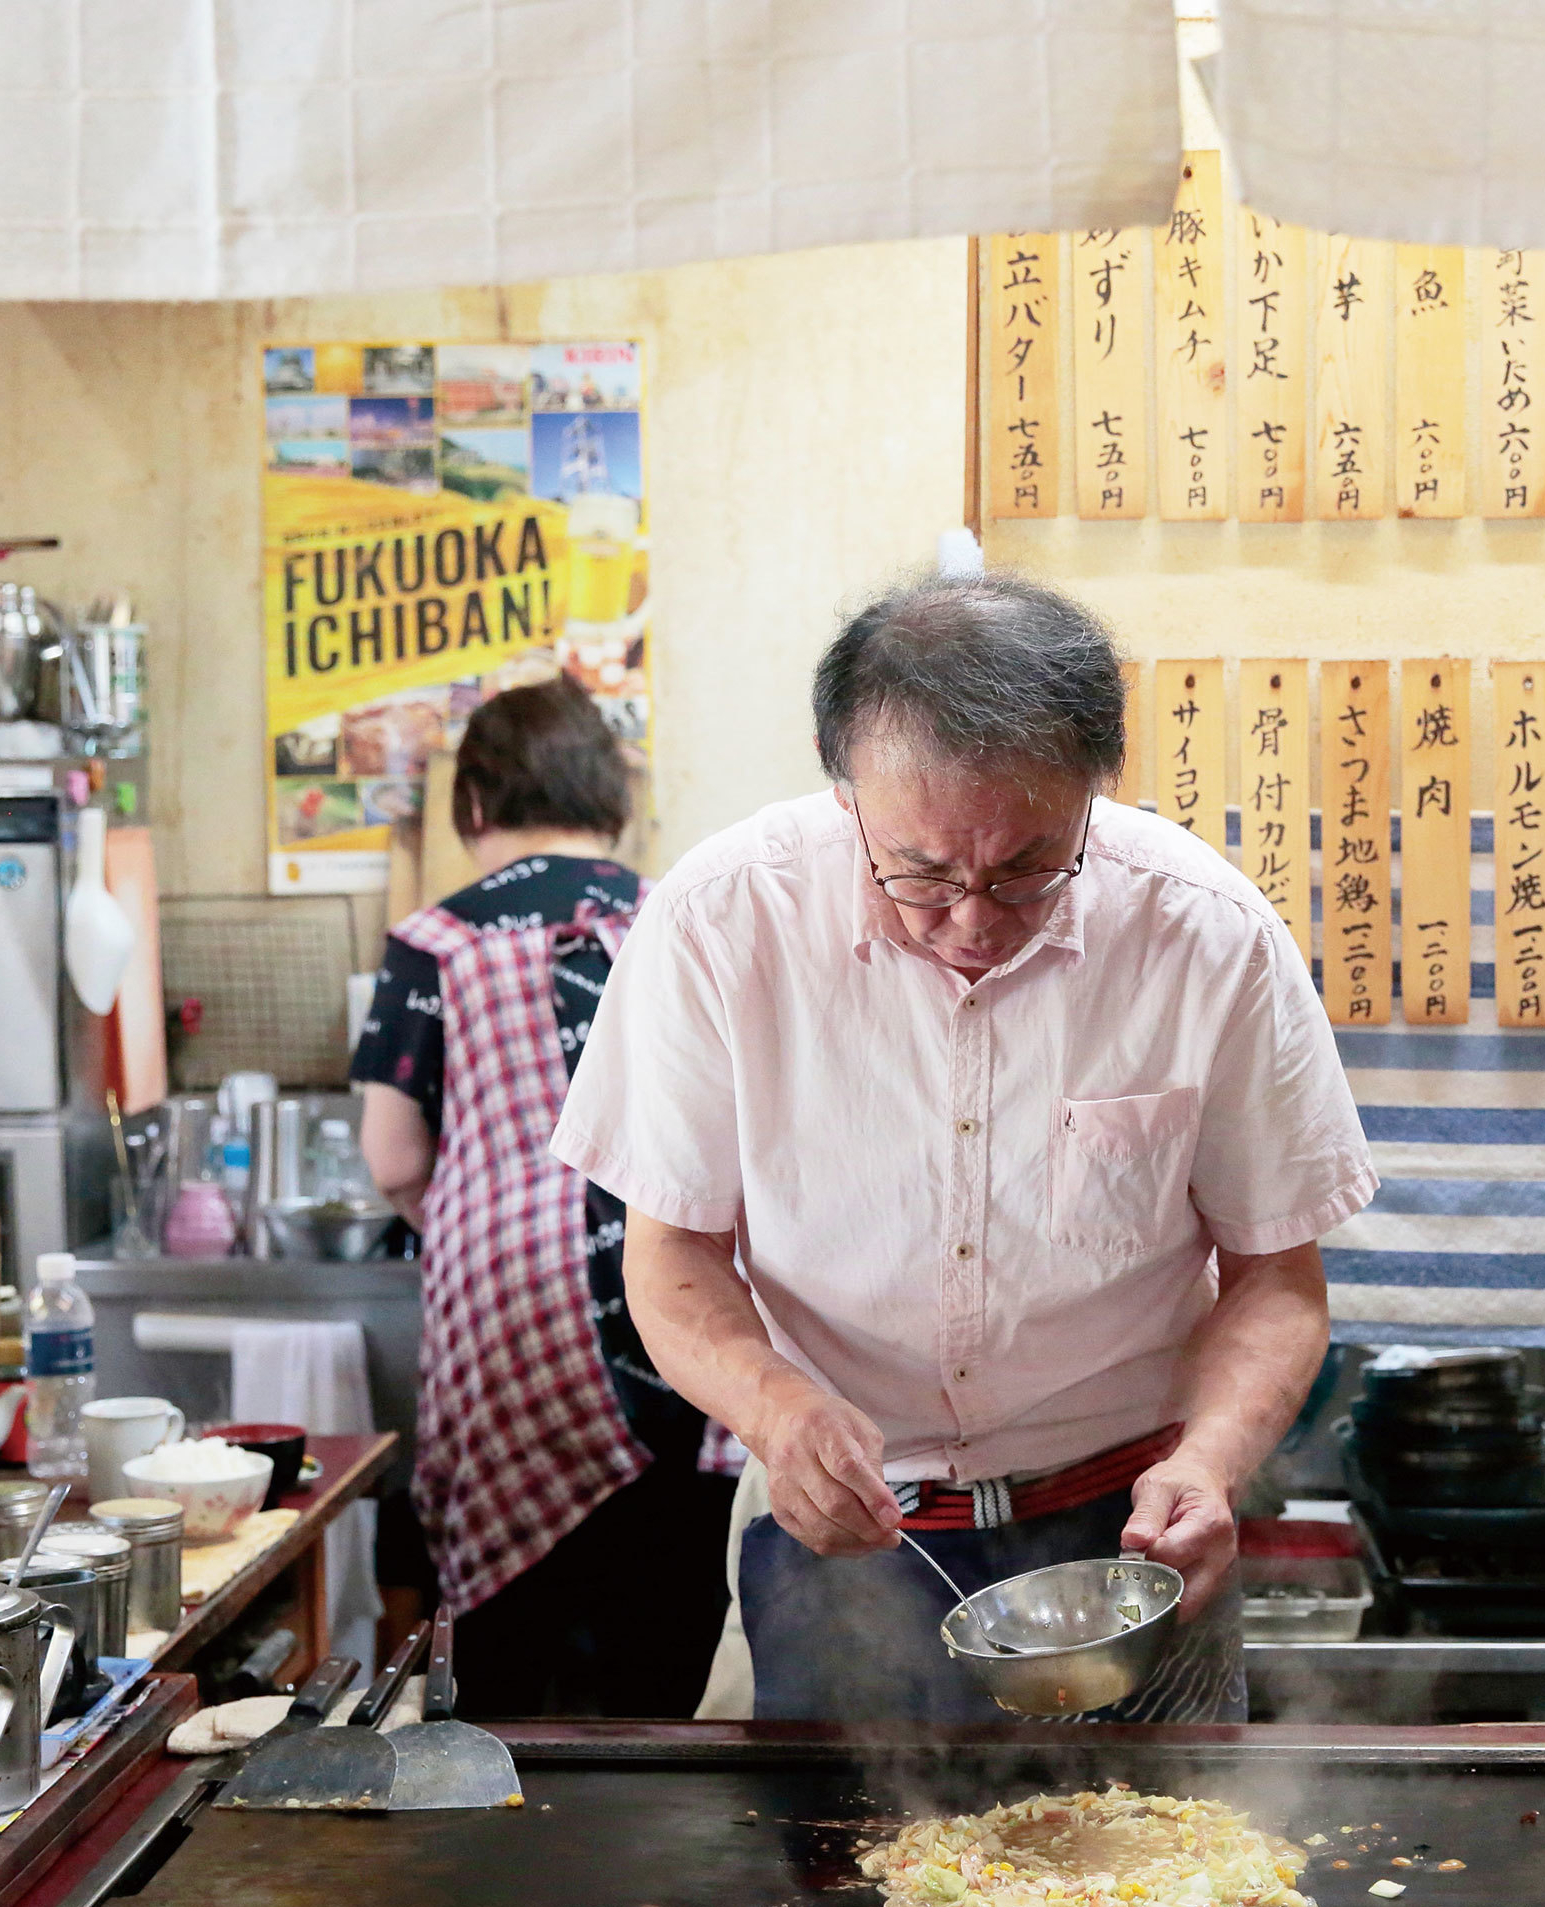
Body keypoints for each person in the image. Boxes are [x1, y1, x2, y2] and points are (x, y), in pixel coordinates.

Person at [552, 573, 1375, 1721]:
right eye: (923, 872)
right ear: (847, 794)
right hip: (836, 1537)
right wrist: (782, 1412)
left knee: (1172, 1880)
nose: (974, 919)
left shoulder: (1207, 936)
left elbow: (1277, 1279)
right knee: (825, 1885)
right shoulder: (719, 922)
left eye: (1029, 868)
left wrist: (1210, 1464)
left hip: (1124, 1539)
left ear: (1096, 792)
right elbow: (672, 1257)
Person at [353, 677, 732, 1716]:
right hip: (688, 1310)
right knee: (663, 1654)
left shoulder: (434, 939)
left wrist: (480, 1213)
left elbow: (392, 1157)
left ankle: (503, 1860)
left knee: (512, 1668)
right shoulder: (679, 918)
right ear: (613, 800)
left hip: (506, 1322)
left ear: (471, 807)